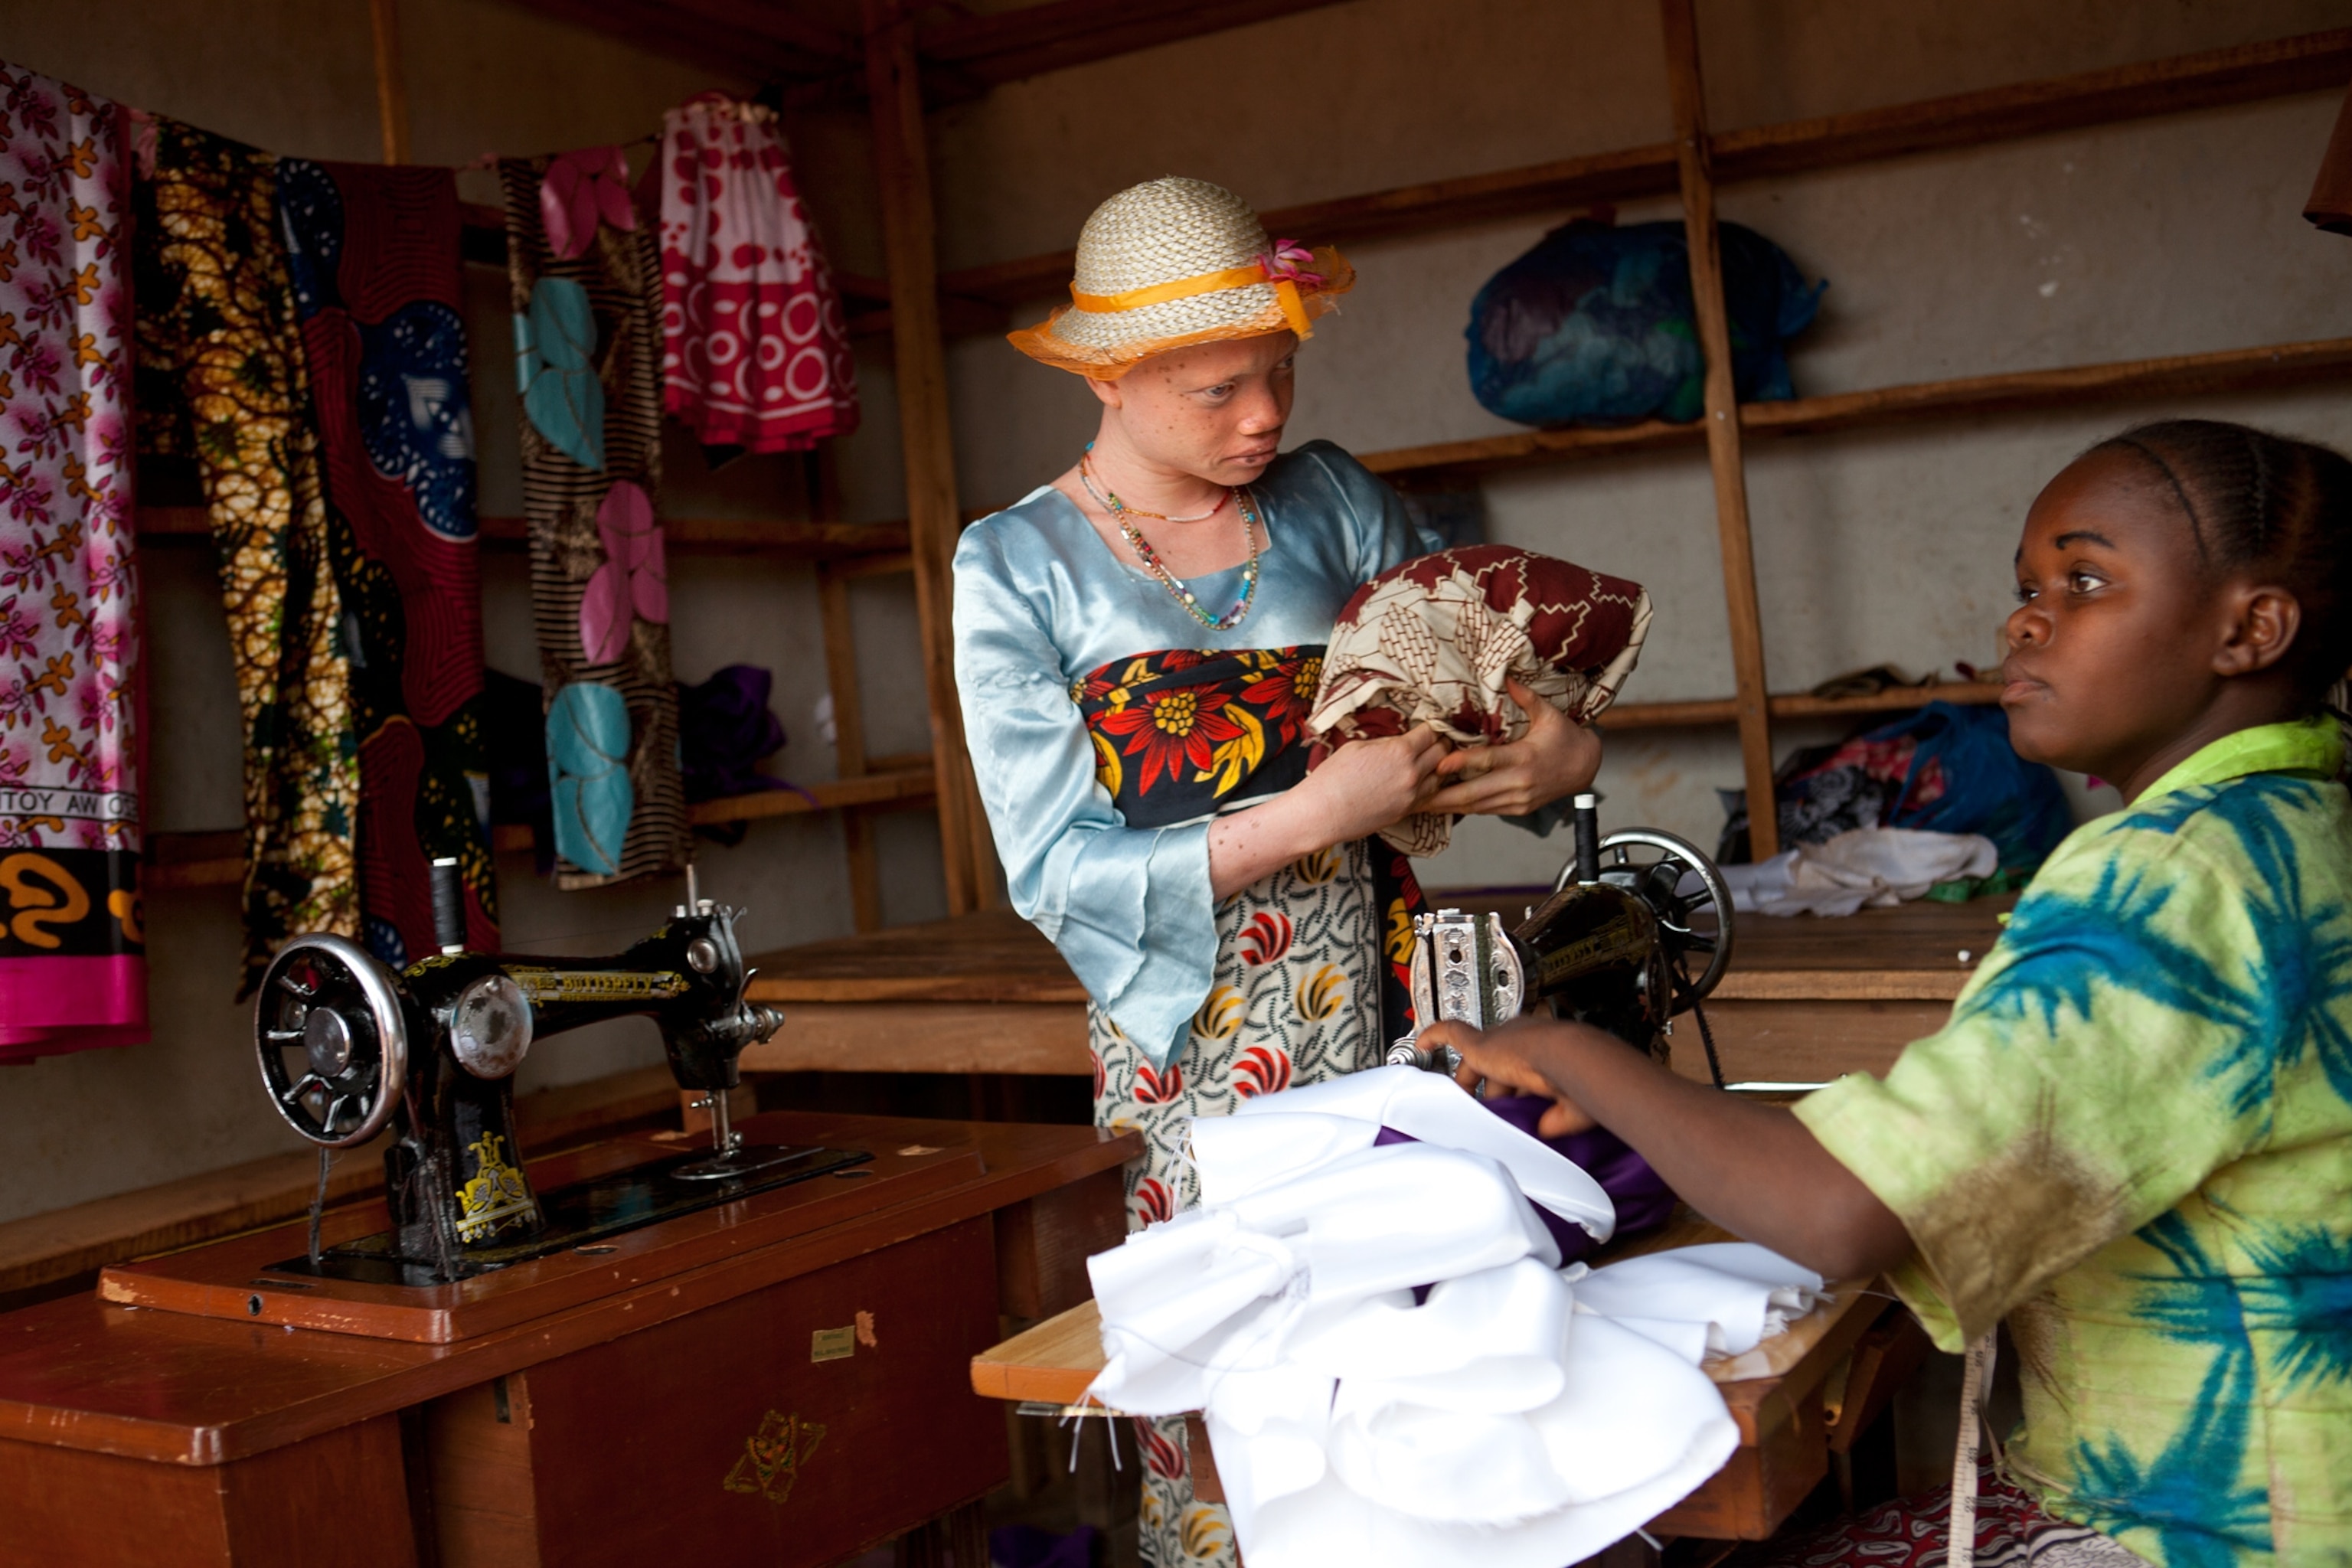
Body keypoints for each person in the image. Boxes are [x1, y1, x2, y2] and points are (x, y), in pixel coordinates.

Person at [1426, 419, 2352, 1567]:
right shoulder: (2297, 827)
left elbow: (1844, 1212)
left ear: (2251, 629)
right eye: (2027, 588)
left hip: (2206, 1535)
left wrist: (1574, 1054)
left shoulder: (2164, 882)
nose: (2025, 621)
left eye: (2085, 581)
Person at [953, 176, 1602, 1566]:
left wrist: (1559, 752)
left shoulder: (1331, 500)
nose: (1263, 416)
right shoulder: (1016, 564)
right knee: (1240, 1403)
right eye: (1217, 389)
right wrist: (1318, 813)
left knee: (1424, 1375)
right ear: (1110, 377)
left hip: (1395, 1005)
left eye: (1280, 374)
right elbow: (1056, 869)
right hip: (1196, 1053)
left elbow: (1478, 688)